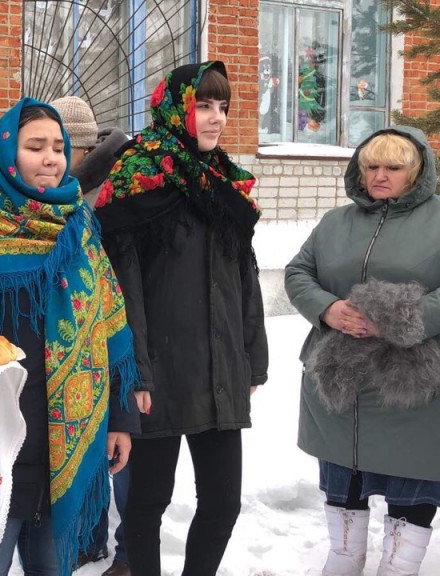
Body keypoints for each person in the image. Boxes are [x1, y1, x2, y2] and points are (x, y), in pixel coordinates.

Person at [0, 97, 140, 576]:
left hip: (67, 442)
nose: (51, 158)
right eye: (35, 146)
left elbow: (108, 325)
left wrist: (120, 418)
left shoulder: (78, 225)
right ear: (6, 152)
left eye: (58, 147)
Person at [93, 61, 268, 576]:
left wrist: (253, 357)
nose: (216, 118)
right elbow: (123, 290)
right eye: (203, 105)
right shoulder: (139, 178)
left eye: (223, 107)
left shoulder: (224, 183)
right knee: (147, 502)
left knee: (223, 503)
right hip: (159, 373)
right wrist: (135, 371)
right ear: (176, 109)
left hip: (219, 370)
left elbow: (245, 278)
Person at [284, 126, 439, 576]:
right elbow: (298, 272)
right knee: (343, 482)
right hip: (341, 386)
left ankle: (399, 566)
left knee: (411, 483)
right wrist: (327, 308)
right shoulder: (336, 222)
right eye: (371, 166)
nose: (380, 176)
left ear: (417, 171)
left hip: (411, 388)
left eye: (393, 167)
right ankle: (344, 559)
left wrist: (396, 318)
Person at [50, 95, 134, 575]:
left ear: (80, 147)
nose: (53, 159)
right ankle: (91, 539)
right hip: (81, 329)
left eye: (61, 147)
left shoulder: (111, 189)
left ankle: (124, 550)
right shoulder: (68, 190)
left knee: (120, 452)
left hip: (120, 327)